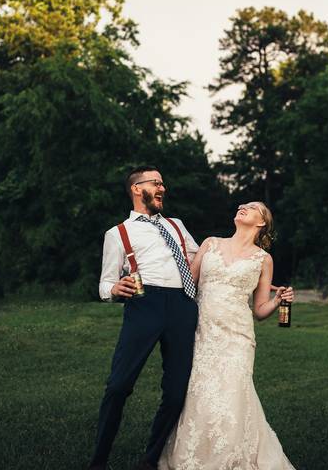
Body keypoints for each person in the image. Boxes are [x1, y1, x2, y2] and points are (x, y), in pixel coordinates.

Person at [158, 201, 296, 470]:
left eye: (253, 206)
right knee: (198, 393)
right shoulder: (210, 244)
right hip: (202, 332)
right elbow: (189, 284)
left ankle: (232, 455)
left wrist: (278, 300)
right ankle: (194, 456)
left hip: (238, 336)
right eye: (242, 204)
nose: (243, 206)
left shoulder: (263, 259)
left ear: (262, 222)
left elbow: (259, 309)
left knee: (232, 393)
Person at [88, 166, 200, 470]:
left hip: (183, 305)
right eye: (156, 183)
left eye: (164, 183)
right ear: (138, 189)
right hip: (144, 303)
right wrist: (114, 288)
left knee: (177, 391)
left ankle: (150, 460)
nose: (163, 188)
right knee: (119, 385)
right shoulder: (118, 233)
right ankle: (98, 461)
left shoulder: (177, 225)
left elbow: (204, 258)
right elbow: (103, 283)